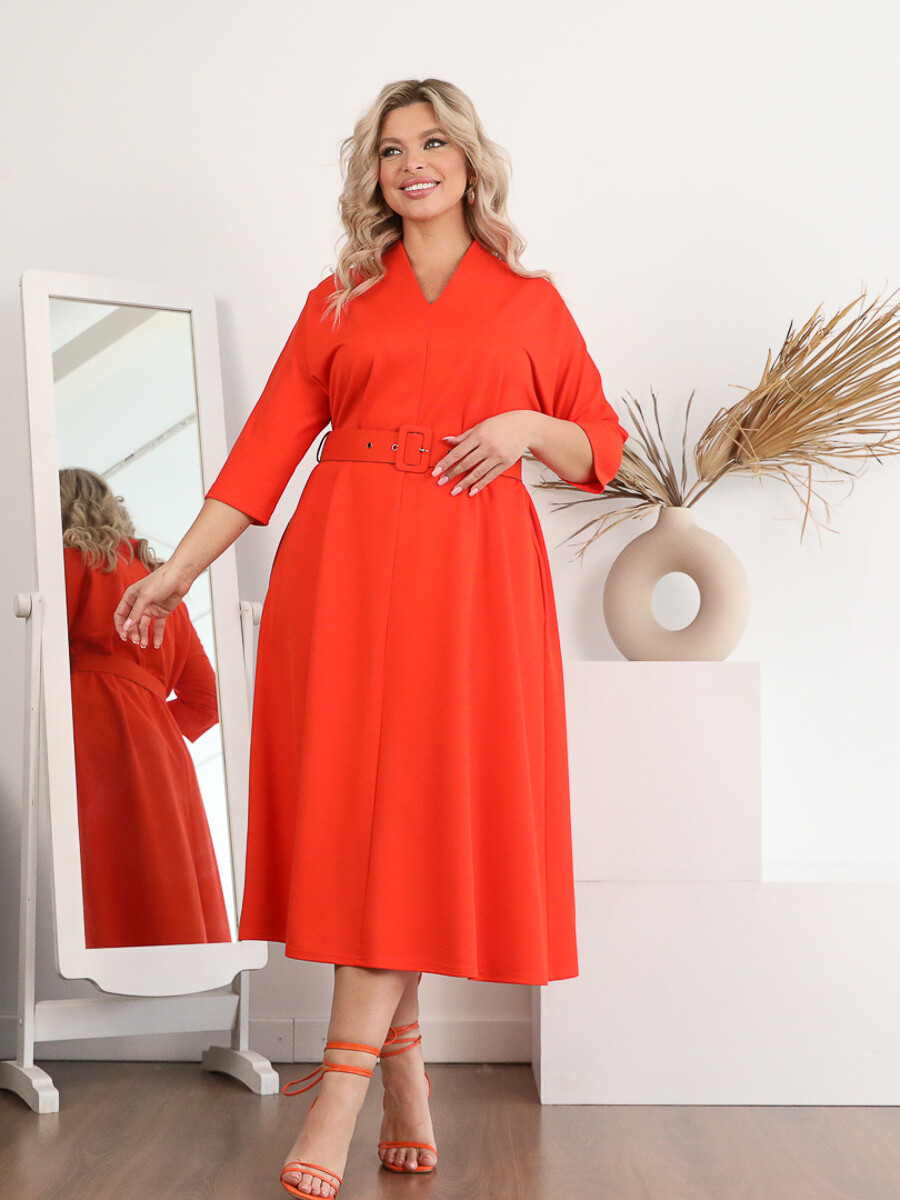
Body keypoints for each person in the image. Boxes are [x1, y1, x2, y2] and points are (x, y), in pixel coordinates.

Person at [114, 78, 629, 1199]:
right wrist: (177, 571)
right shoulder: (337, 300)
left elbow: (603, 446)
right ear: (375, 175)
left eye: (433, 142)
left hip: (473, 581)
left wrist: (525, 424)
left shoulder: (530, 303)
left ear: (470, 160)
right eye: (391, 150)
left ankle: (345, 1090)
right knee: (368, 824)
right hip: (343, 569)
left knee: (423, 818)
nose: (412, 164)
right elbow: (262, 454)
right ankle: (399, 1078)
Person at [62, 467, 230, 949]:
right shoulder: (162, 593)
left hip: (87, 726)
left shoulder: (68, 562)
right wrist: (151, 727)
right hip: (160, 752)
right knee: (157, 867)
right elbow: (206, 699)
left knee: (95, 867)